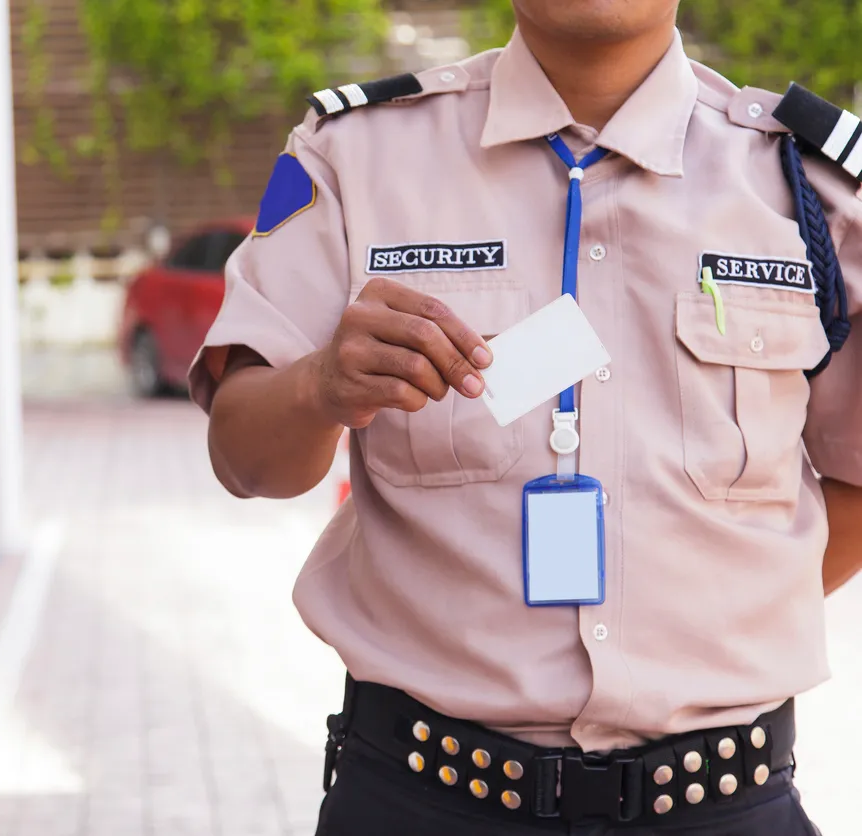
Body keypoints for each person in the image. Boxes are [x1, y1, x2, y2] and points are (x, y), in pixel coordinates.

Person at [188, 1, 862, 833]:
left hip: (719, 801)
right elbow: (246, 460)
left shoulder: (811, 188)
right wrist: (318, 387)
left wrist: (705, 608)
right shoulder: (352, 157)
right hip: (423, 796)